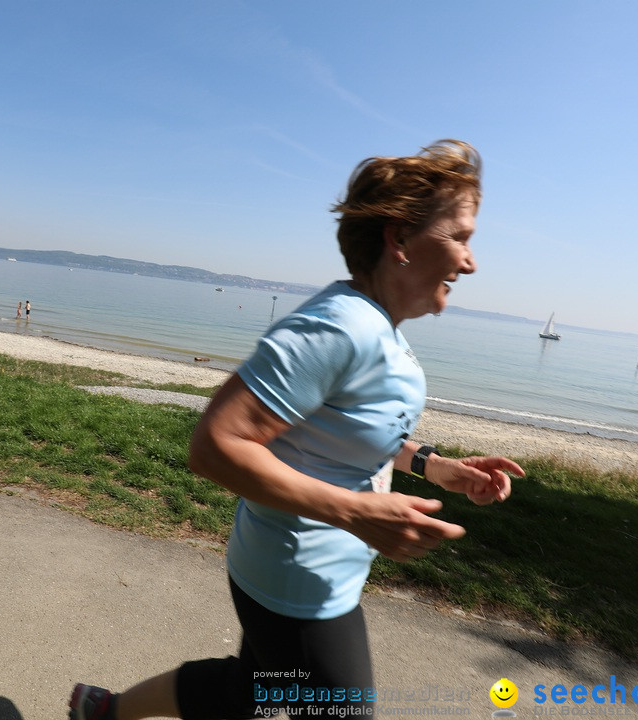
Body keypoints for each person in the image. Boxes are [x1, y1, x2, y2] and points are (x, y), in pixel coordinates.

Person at [69, 140, 525, 719]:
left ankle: (106, 711)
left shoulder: (377, 326)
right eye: (459, 236)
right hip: (300, 580)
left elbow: (348, 427)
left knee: (251, 691)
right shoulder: (341, 327)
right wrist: (355, 512)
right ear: (400, 238)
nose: (470, 261)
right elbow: (215, 445)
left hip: (290, 567)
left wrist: (435, 466)